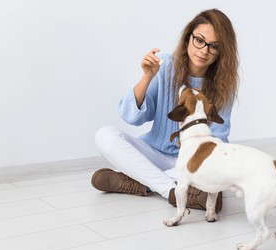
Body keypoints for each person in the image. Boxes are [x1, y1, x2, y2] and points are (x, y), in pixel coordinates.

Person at [91, 8, 239, 212]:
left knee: (219, 170)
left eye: (214, 46)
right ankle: (170, 190)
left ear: (222, 51)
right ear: (188, 38)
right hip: (155, 153)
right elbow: (131, 116)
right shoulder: (165, 66)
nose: (204, 51)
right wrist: (146, 77)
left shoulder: (224, 85)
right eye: (199, 40)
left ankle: (141, 181)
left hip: (192, 161)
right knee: (104, 136)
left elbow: (218, 138)